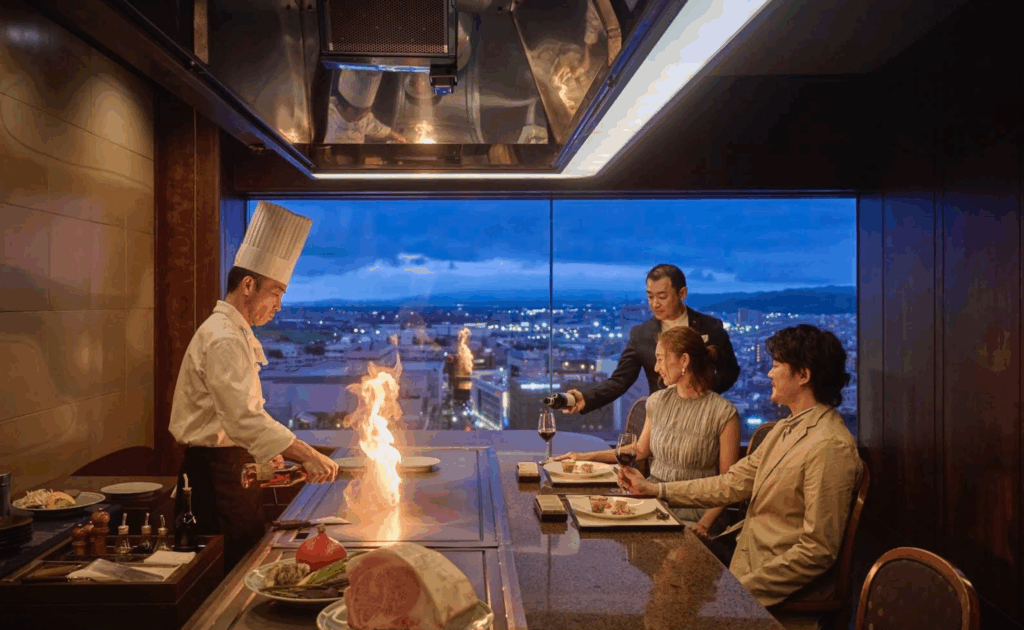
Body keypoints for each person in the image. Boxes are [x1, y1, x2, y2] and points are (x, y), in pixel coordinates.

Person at [618, 324, 863, 609]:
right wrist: (656, 490)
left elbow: (817, 551)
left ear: (803, 376)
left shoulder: (830, 447)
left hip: (764, 580)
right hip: (740, 554)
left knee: (663, 599)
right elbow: (730, 483)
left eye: (776, 366)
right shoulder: (785, 429)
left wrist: (738, 593)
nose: (769, 373)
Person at [169, 201, 340, 570]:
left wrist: (267, 452)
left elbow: (236, 416)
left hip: (230, 471)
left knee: (244, 562)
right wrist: (306, 454)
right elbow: (243, 418)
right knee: (229, 574)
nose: (278, 305)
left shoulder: (233, 332)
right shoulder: (224, 337)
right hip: (215, 479)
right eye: (276, 292)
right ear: (248, 285)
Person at [554, 326, 740, 536]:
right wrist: (583, 457)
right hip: (651, 501)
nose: (656, 368)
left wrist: (704, 524)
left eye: (660, 359)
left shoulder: (724, 414)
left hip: (696, 511)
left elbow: (728, 485)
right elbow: (640, 450)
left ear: (684, 361)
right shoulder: (657, 401)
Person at [564, 263, 740, 416]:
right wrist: (586, 398)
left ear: (682, 293)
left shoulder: (710, 326)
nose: (655, 304)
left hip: (704, 414)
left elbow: (729, 372)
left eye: (662, 297)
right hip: (660, 418)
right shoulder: (641, 334)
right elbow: (620, 380)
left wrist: (702, 393)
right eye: (650, 296)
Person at [326, 70, 407, 144]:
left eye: (368, 110)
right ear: (350, 110)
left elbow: (377, 129)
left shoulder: (363, 118)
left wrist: (397, 137)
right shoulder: (326, 119)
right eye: (364, 112)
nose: (367, 115)